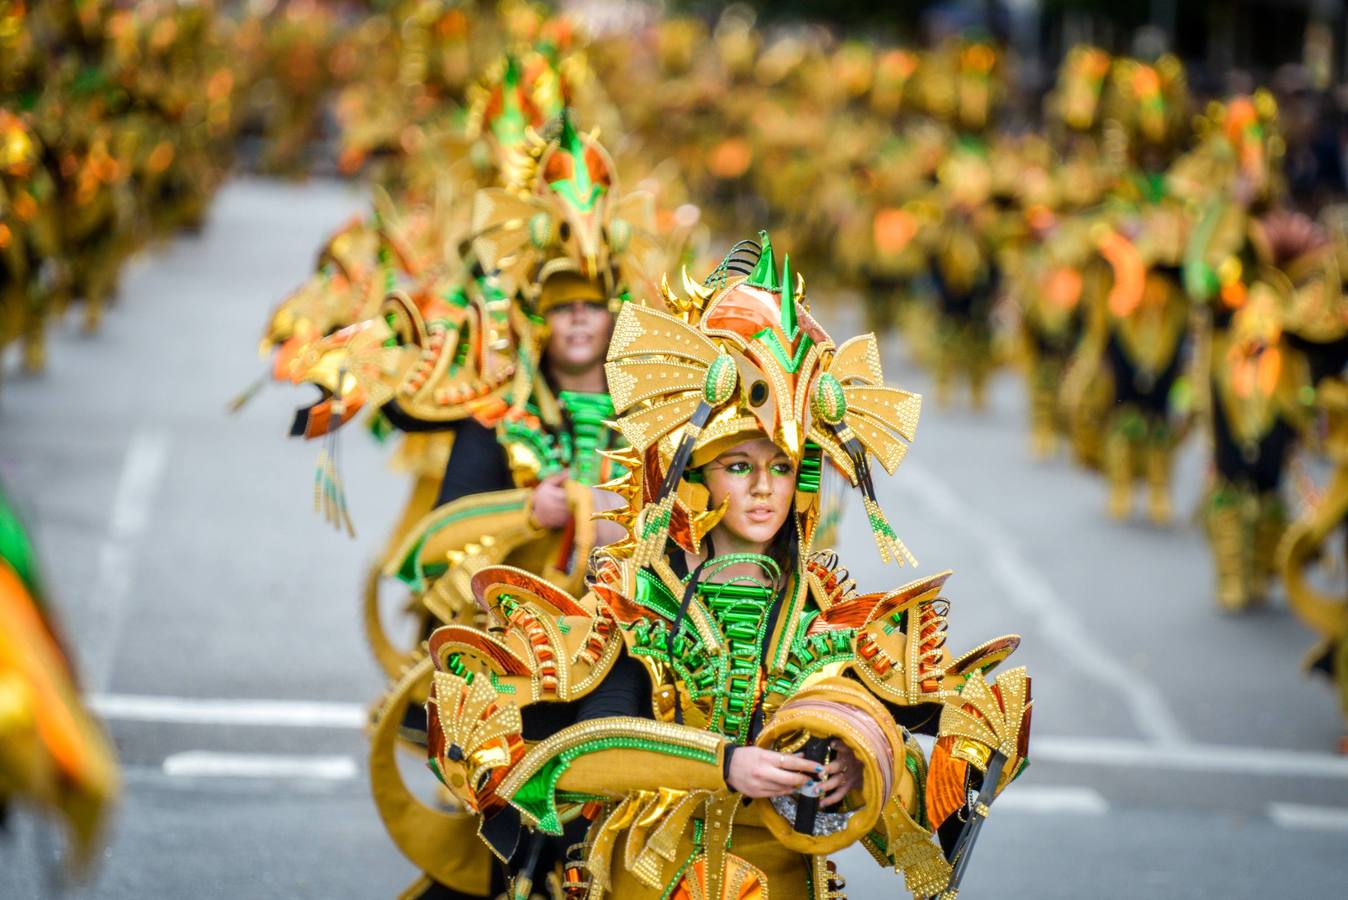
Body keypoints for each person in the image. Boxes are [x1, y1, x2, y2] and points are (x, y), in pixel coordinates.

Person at [424, 233, 1033, 899]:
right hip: (646, 879)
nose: (764, 489)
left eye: (781, 468)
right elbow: (582, 755)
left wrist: (867, 768)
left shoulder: (829, 611)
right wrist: (722, 765)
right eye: (738, 467)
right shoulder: (638, 598)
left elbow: (926, 797)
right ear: (694, 479)